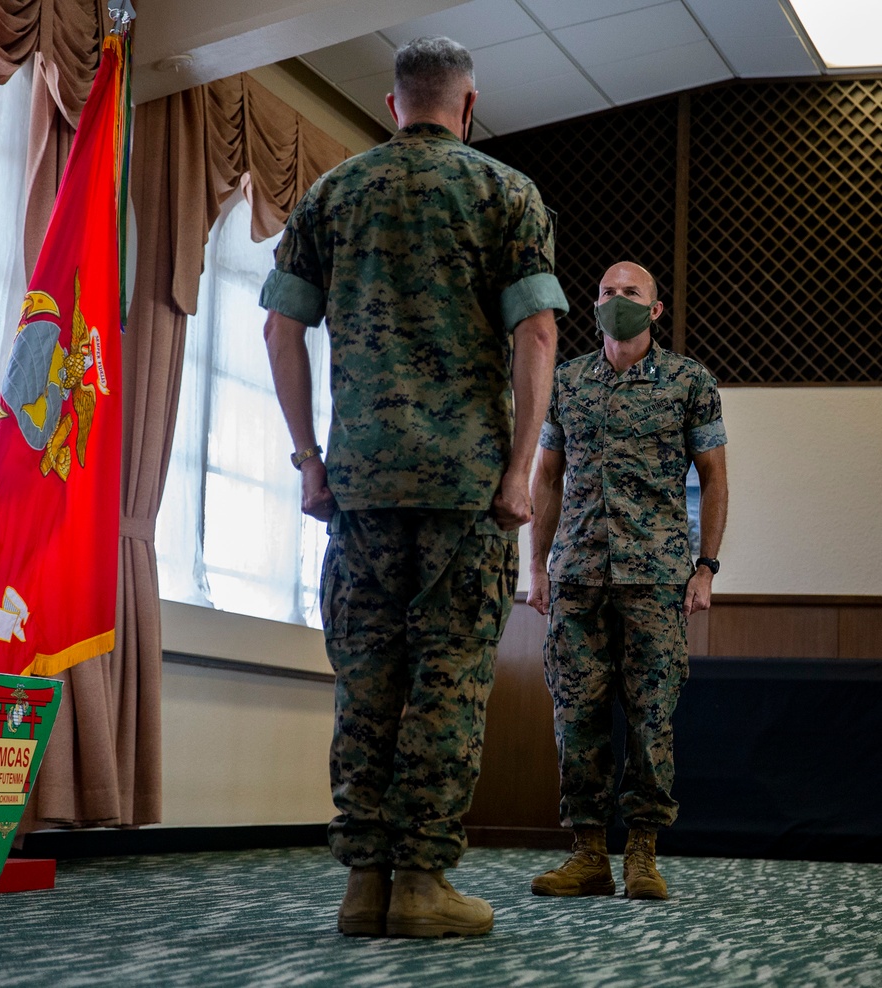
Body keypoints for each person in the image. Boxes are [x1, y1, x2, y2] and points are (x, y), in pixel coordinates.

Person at [260, 36, 567, 938]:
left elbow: (281, 328)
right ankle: (422, 883)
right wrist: (518, 472)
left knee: (367, 681)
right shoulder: (505, 192)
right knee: (447, 681)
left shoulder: (333, 193)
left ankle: (364, 884)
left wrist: (309, 460)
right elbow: (540, 334)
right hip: (466, 487)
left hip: (358, 487)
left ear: (394, 106)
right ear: (468, 107)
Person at [526, 260, 728, 901]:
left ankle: (642, 854)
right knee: (576, 717)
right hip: (578, 578)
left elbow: (715, 478)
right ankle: (588, 854)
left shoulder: (688, 381)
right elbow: (548, 477)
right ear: (594, 303)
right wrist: (537, 565)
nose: (618, 300)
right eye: (608, 291)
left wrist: (706, 567)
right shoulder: (567, 382)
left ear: (656, 309)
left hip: (657, 578)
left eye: (631, 293)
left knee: (651, 720)